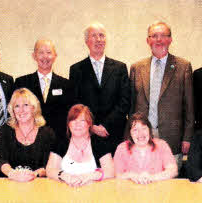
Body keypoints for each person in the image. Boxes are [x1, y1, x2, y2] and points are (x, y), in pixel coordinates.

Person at [129, 21, 194, 168]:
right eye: (154, 36)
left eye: (163, 36)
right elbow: (132, 107)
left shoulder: (183, 67)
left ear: (170, 39)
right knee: (143, 181)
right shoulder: (136, 68)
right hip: (142, 137)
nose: (159, 40)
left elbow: (189, 107)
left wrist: (187, 137)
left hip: (172, 138)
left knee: (170, 185)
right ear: (148, 40)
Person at [69, 22, 130, 153]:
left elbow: (125, 102)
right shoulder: (76, 70)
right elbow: (75, 103)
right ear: (86, 41)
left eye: (101, 36)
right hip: (86, 134)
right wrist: (92, 127)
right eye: (94, 36)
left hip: (114, 134)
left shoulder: (120, 68)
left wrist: (105, 125)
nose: (98, 40)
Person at [16, 39, 74, 138]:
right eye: (41, 52)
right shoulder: (22, 82)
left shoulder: (66, 85)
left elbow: (70, 116)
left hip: (58, 141)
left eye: (49, 52)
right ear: (34, 56)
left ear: (55, 56)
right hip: (29, 140)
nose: (45, 57)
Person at [46, 104, 114, 187]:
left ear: (89, 123)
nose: (77, 124)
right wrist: (65, 176)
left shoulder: (100, 143)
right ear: (68, 123)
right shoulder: (61, 142)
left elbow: (110, 171)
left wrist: (89, 176)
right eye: (73, 120)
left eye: (82, 120)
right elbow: (50, 169)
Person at [0, 88, 55, 181]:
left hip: (38, 184)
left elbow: (49, 165)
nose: (21, 110)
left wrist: (34, 174)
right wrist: (13, 174)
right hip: (9, 183)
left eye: (26, 105)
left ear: (34, 108)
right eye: (17, 106)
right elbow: (2, 160)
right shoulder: (5, 131)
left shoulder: (47, 133)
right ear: (13, 110)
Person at [113, 113, 177, 184]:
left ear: (149, 130)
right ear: (130, 133)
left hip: (158, 191)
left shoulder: (162, 145)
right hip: (130, 192)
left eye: (144, 128)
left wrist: (152, 177)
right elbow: (116, 175)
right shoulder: (122, 148)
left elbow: (173, 170)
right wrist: (131, 175)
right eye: (135, 130)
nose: (140, 133)